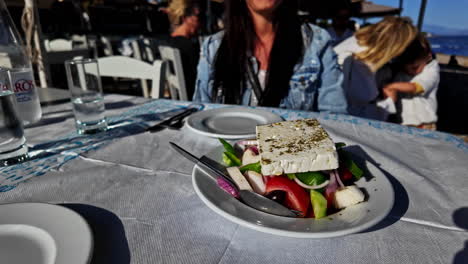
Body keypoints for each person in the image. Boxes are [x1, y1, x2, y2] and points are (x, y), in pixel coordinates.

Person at [193, 0, 347, 113]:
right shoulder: (213, 47)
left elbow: (335, 117)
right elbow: (201, 112)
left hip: (292, 152)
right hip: (228, 151)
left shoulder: (316, 41)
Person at [334, 16, 418, 120]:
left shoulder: (356, 46)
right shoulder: (356, 57)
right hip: (329, 123)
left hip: (320, 122)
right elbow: (359, 102)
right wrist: (389, 103)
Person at [380, 34, 440, 130]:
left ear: (428, 56)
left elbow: (417, 87)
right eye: (405, 68)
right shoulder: (401, 72)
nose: (410, 72)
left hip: (423, 125)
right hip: (402, 123)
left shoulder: (431, 70)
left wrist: (392, 86)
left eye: (415, 68)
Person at [165, 0, 201, 99]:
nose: (200, 21)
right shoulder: (188, 46)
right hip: (193, 99)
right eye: (197, 16)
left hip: (176, 97)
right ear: (185, 18)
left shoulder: (168, 42)